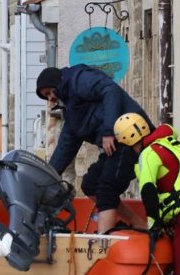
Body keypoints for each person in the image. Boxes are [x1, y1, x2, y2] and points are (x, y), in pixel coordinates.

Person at [36, 64, 153, 233]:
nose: (50, 99)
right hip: (115, 144)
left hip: (130, 137)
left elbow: (111, 90)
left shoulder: (78, 79)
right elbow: (64, 149)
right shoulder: (73, 112)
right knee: (90, 185)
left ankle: (103, 243)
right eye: (46, 97)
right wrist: (44, 179)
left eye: (49, 93)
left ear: (57, 83)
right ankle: (138, 223)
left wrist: (108, 131)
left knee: (106, 189)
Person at [114, 113, 180, 275]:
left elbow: (148, 190)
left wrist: (153, 225)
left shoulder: (147, 155)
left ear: (129, 143)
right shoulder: (171, 144)